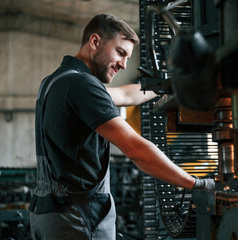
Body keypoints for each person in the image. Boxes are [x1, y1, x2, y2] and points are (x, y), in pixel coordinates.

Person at [29, 13, 215, 240]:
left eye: (128, 57)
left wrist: (168, 83)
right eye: (120, 53)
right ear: (95, 42)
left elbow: (124, 94)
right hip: (76, 219)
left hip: (47, 214)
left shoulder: (55, 81)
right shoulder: (82, 85)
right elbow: (135, 148)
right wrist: (196, 184)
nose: (124, 64)